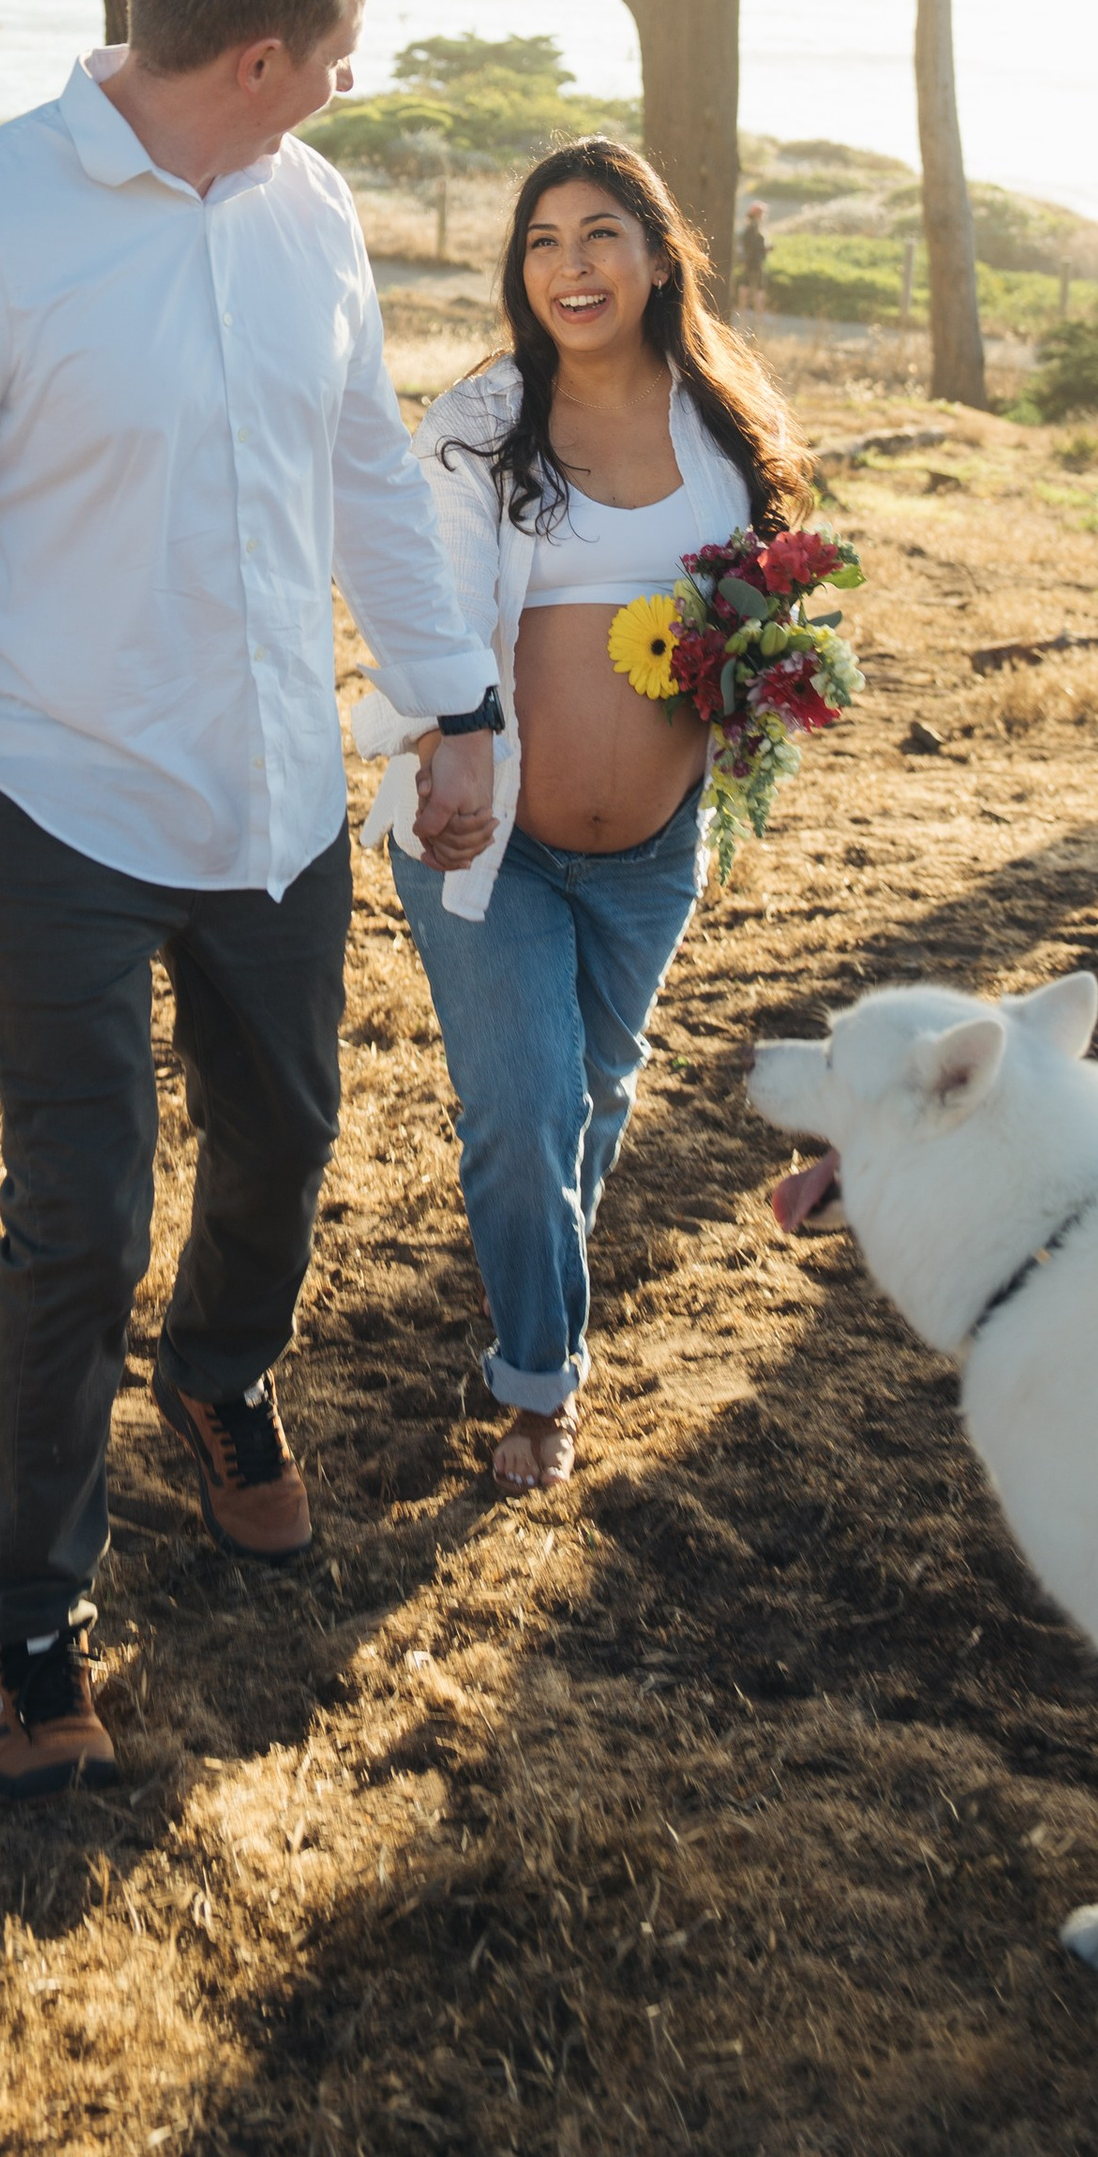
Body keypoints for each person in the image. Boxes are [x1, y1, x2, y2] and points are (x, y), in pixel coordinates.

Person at [0, 0, 500, 1799]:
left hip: (267, 794)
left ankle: (217, 1377)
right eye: (340, 51)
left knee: (285, 1141)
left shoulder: (310, 211)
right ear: (260, 53)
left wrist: (457, 704)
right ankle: (29, 1619)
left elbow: (362, 468)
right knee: (76, 1209)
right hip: (54, 797)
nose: (352, 82)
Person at [356, 140, 813, 1490]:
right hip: (485, 849)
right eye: (543, 242)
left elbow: (763, 596)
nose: (571, 266)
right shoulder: (482, 424)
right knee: (526, 1108)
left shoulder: (721, 422)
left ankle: (526, 1307)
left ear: (660, 256)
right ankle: (541, 1389)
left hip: (651, 859)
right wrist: (456, 742)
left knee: (595, 1096)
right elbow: (428, 608)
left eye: (601, 234)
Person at [736, 199, 770, 309]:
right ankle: (757, 314)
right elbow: (754, 246)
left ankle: (744, 312)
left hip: (749, 260)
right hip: (755, 261)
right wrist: (764, 249)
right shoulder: (754, 229)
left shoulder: (749, 227)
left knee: (745, 284)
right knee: (758, 287)